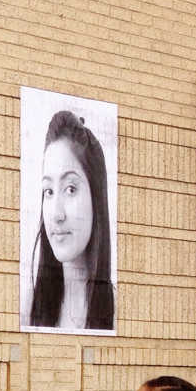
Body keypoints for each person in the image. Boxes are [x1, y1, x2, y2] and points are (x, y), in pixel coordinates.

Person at [25, 110, 115, 332]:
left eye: (71, 189)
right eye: (49, 191)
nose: (57, 214)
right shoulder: (27, 306)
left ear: (96, 197)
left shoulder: (120, 311)